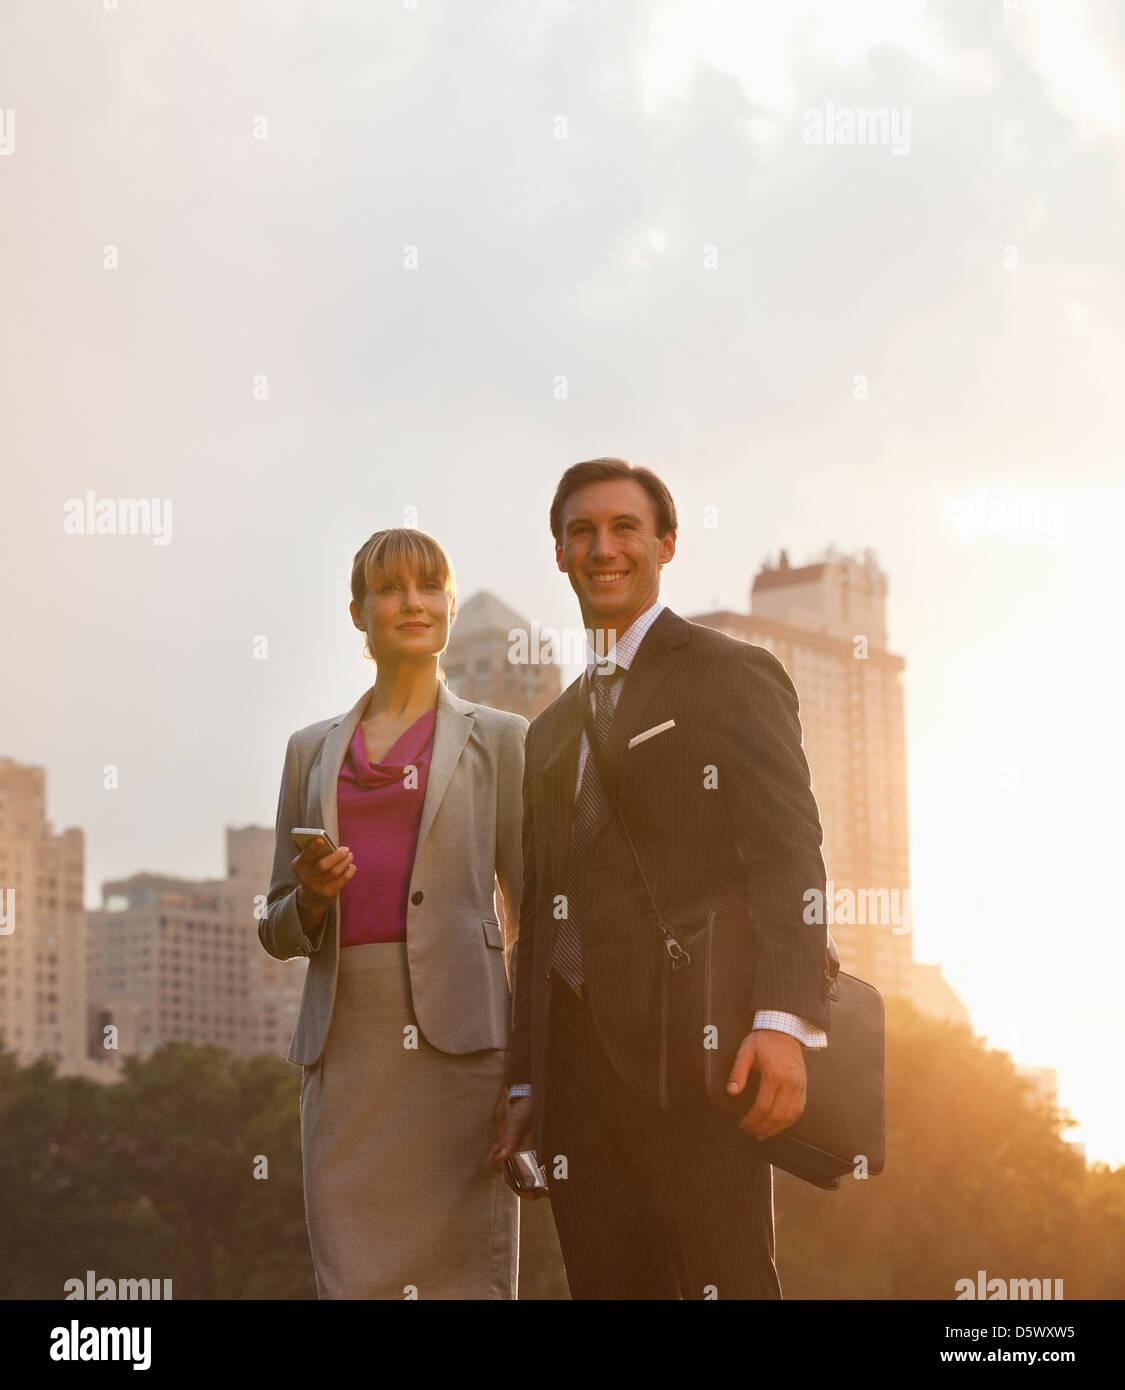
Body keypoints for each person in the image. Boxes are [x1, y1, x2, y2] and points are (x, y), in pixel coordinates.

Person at [492, 457, 830, 1300]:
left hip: (697, 1054)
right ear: (562, 555)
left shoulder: (728, 672)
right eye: (581, 533)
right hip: (573, 1081)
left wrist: (784, 1020)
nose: (601, 547)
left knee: (728, 1281)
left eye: (623, 528)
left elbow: (788, 852)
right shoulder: (550, 731)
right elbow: (537, 913)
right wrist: (527, 1078)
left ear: (665, 545)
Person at [259, 527, 526, 1299]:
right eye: (389, 588)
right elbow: (275, 924)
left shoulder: (503, 742)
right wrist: (310, 897)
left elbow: (538, 911)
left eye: (429, 584)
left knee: (465, 1279)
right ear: (357, 613)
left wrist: (531, 1076)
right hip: (347, 1051)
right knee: (350, 1277)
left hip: (463, 1057)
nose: (413, 602)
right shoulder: (308, 753)